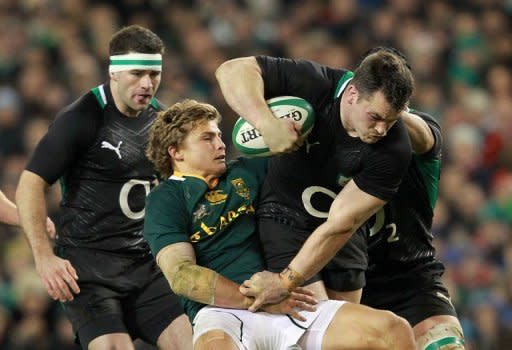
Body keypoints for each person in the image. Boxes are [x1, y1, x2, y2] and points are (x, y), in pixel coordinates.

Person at [143, 99, 416, 349]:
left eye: (218, 135)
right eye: (207, 138)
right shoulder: (166, 198)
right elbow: (182, 275)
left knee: (394, 331)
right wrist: (258, 300)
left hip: (288, 300)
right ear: (176, 152)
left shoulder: (248, 171)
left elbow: (302, 165)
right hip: (223, 313)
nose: (221, 143)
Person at [15, 25, 192, 350]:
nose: (147, 83)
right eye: (137, 73)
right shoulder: (81, 117)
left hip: (146, 267)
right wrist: (43, 257)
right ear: (114, 72)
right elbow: (29, 184)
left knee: (196, 344)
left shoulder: (163, 122)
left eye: (155, 74)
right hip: (89, 272)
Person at [215, 47, 414, 305]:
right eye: (375, 117)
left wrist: (284, 281)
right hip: (284, 214)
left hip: (343, 233)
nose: (382, 130)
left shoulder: (395, 150)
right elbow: (231, 70)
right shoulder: (314, 84)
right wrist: (266, 123)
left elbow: (341, 224)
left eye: (391, 121)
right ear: (352, 93)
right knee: (314, 318)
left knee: (344, 328)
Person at [356, 112, 465, 349]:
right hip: (350, 286)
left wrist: (384, 111)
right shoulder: (337, 141)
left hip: (413, 281)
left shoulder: (419, 130)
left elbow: (425, 140)